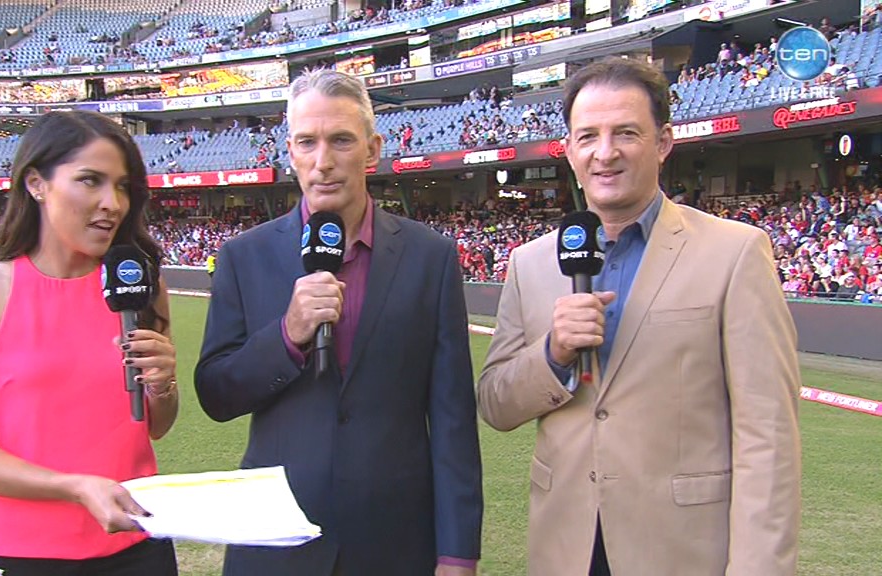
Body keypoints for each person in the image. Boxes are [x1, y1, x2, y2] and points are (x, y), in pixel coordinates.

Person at [476, 58, 801, 576]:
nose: (605, 153)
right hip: (566, 549)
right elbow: (496, 403)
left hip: (681, 552)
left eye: (626, 133)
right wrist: (554, 353)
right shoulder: (530, 262)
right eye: (588, 136)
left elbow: (769, 436)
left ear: (664, 142)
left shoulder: (735, 252)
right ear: (569, 149)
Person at [194, 68, 483, 576]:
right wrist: (287, 335)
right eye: (308, 142)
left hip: (394, 542)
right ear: (291, 152)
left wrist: (458, 553)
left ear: (372, 150)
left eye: (341, 141)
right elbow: (217, 395)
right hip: (276, 539)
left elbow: (453, 417)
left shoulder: (430, 257)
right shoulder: (243, 256)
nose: (323, 161)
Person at [0, 111, 180, 576]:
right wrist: (75, 487)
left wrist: (163, 385)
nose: (112, 203)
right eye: (90, 180)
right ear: (36, 183)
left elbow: (155, 427)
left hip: (134, 543)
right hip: (12, 553)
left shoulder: (141, 286)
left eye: (122, 186)